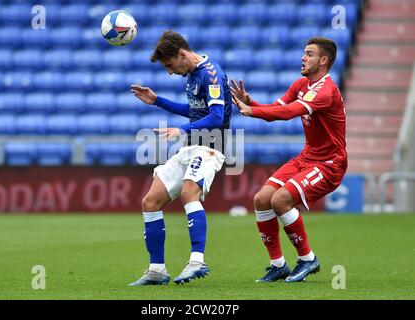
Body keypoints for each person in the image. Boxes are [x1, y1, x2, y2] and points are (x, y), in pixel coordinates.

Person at [231, 37, 347, 283]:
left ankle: (307, 259)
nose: (303, 58)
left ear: (323, 61)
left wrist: (252, 111)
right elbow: (276, 109)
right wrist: (251, 103)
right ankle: (278, 265)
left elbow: (289, 113)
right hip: (307, 157)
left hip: (329, 164)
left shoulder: (325, 90)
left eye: (309, 54)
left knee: (281, 199)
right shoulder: (301, 84)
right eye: (304, 53)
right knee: (262, 199)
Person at [129, 30, 232, 286]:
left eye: (170, 65)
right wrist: (157, 101)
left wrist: (181, 129)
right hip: (189, 147)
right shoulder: (192, 75)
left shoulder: (212, 74)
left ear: (182, 54)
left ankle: (197, 261)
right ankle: (157, 270)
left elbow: (217, 118)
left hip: (210, 146)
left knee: (189, 193)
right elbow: (195, 110)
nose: (170, 71)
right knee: (150, 201)